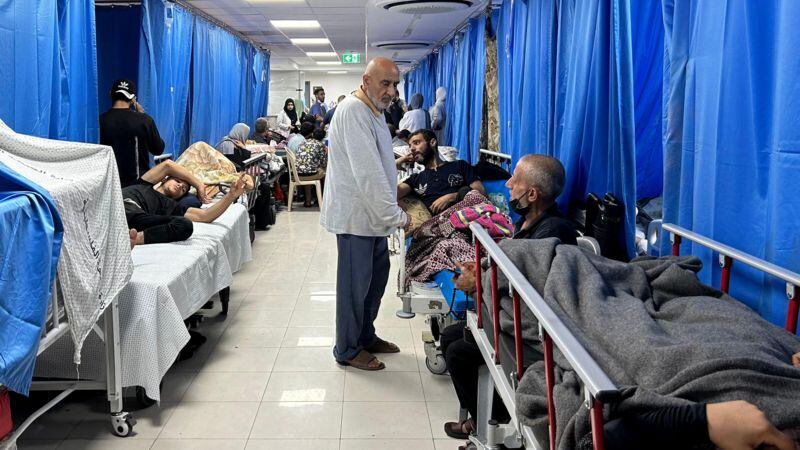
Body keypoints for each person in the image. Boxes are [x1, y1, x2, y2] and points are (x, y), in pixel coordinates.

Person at [441, 154, 577, 442]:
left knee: (457, 352)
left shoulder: (552, 234)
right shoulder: (528, 221)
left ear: (532, 194)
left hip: (536, 334)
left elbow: (531, 290)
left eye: (515, 180)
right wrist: (481, 269)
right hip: (514, 313)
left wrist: (478, 282)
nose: (508, 184)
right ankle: (487, 413)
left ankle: (487, 420)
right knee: (451, 336)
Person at [320, 57, 411, 371]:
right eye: (385, 83)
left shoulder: (375, 111)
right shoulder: (353, 111)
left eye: (395, 84)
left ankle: (365, 336)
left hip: (374, 218)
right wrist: (399, 217)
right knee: (354, 289)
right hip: (356, 218)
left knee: (375, 283)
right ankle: (346, 349)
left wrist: (392, 205)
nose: (391, 91)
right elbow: (368, 175)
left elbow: (382, 167)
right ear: (366, 80)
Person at [124, 160, 246, 246]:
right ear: (164, 179)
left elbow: (205, 216)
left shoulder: (171, 206)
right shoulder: (144, 183)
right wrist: (198, 184)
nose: (179, 185)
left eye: (183, 189)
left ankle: (132, 239)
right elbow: (168, 165)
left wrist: (231, 195)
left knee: (185, 225)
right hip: (117, 203)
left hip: (135, 218)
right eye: (177, 181)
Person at [397, 129, 485, 214]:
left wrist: (452, 197)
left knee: (465, 190)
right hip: (438, 224)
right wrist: (395, 164)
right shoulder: (415, 179)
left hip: (469, 216)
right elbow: (391, 195)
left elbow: (481, 192)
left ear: (432, 142)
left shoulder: (460, 165)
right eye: (410, 146)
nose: (412, 149)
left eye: (416, 143)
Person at [99, 79, 166, 188]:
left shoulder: (99, 121)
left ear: (110, 94)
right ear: (133, 99)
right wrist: (143, 116)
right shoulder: (145, 120)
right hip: (138, 187)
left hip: (108, 186)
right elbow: (158, 149)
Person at [295, 128, 328, 207]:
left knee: (308, 169)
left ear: (312, 135)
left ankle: (308, 201)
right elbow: (324, 163)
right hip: (310, 174)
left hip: (297, 174)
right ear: (323, 138)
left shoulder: (303, 142)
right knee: (325, 172)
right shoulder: (321, 145)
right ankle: (322, 199)